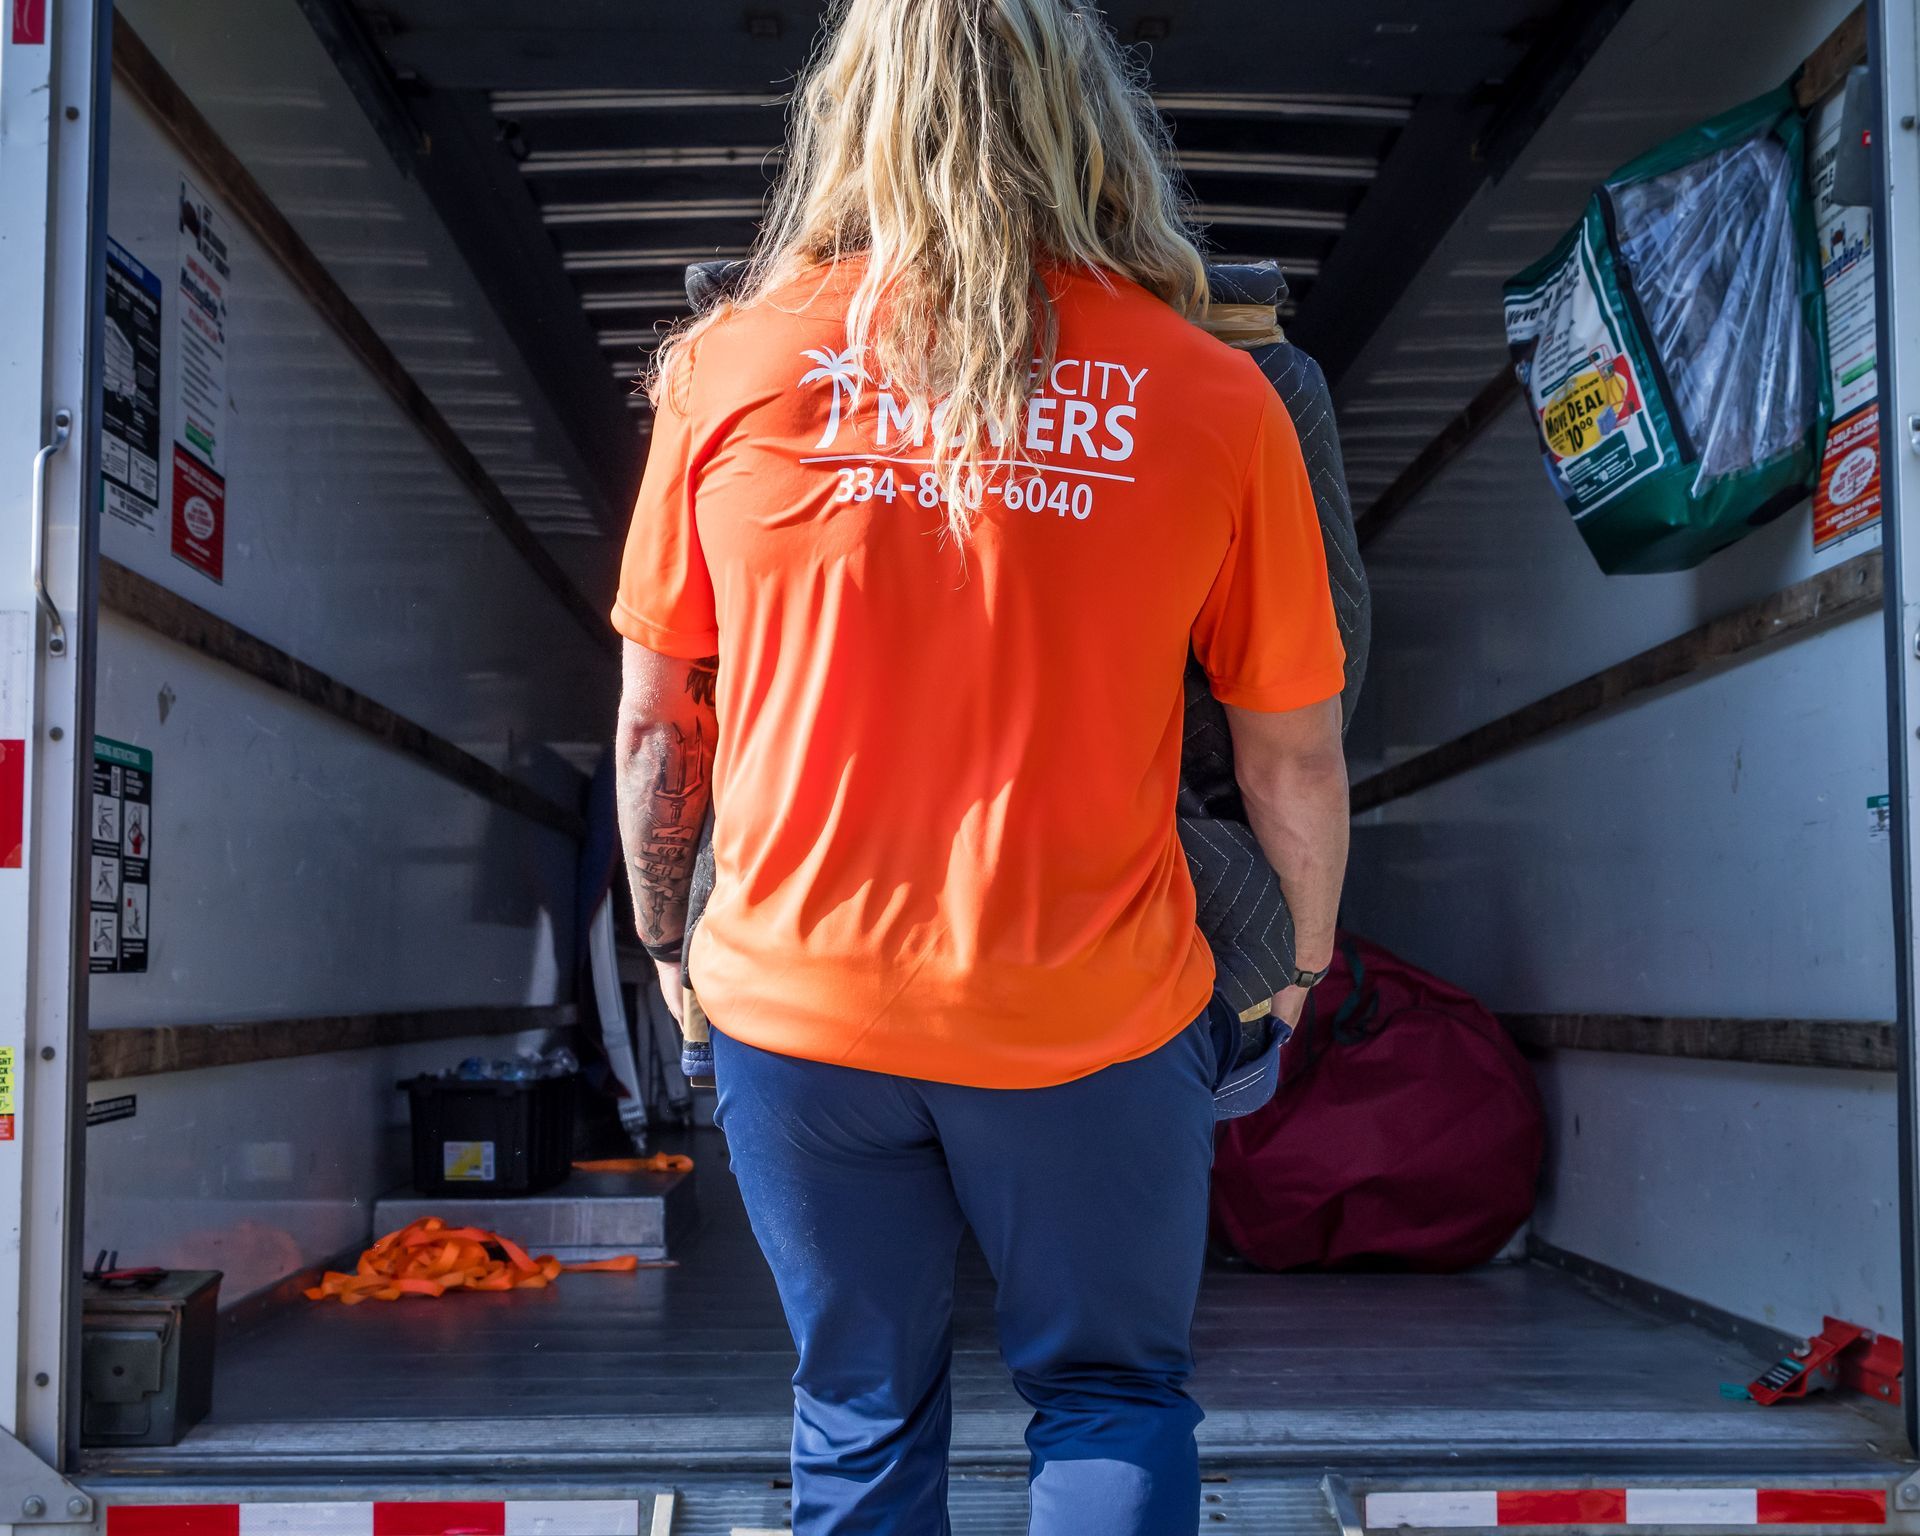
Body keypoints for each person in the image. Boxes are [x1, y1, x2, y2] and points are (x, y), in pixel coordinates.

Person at [610, 1, 1349, 1530]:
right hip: (1090, 1011)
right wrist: (1299, 963)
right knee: (1111, 1399)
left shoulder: (725, 371)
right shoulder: (1217, 397)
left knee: (861, 1409)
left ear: (852, 113)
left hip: (797, 1015)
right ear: (1096, 122)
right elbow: (1291, 751)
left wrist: (670, 939)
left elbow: (653, 721)